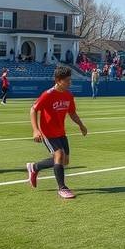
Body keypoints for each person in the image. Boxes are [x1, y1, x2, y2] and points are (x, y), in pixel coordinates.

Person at [25, 66, 89, 199]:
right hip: (47, 132)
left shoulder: (68, 95)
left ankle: (34, 167)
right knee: (59, 155)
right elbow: (33, 109)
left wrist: (81, 125)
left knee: (64, 161)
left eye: (70, 80)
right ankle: (62, 188)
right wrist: (35, 130)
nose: (70, 83)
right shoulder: (48, 94)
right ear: (58, 81)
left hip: (61, 132)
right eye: (67, 80)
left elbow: (72, 113)